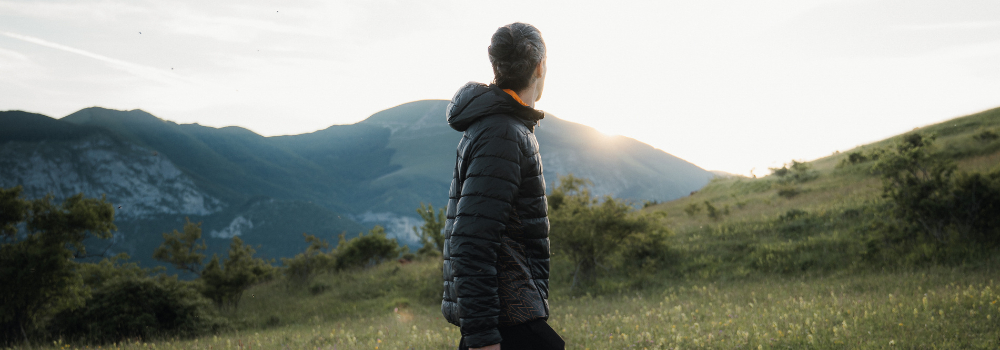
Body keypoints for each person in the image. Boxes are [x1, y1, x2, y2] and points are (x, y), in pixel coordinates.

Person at [441, 22, 564, 350]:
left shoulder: (501, 126)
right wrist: (483, 339)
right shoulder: (503, 133)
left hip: (508, 317)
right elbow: (470, 241)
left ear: (496, 66)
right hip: (506, 323)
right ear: (540, 66)